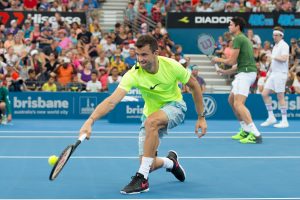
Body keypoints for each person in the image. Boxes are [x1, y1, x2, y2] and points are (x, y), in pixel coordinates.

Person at [79, 35, 207, 194]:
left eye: (144, 54)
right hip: (150, 115)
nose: (140, 59)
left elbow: (194, 85)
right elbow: (112, 101)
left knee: (151, 125)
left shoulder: (172, 66)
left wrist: (201, 117)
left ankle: (142, 179)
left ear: (155, 52)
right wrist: (90, 120)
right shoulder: (134, 73)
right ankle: (170, 163)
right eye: (138, 55)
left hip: (175, 107)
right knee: (149, 163)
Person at [212, 17, 262, 144]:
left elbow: (230, 61)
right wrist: (224, 72)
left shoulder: (238, 39)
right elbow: (238, 64)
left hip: (245, 74)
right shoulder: (243, 39)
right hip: (245, 72)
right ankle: (245, 129)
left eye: (231, 24)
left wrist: (217, 60)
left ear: (237, 26)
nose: (229, 26)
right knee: (231, 100)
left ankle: (255, 133)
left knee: (238, 104)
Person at [260, 26, 290, 128]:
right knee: (264, 94)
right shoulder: (275, 46)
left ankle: (285, 121)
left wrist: (272, 56)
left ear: (281, 35)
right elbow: (273, 63)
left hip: (281, 74)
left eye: (276, 35)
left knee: (280, 96)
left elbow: (284, 58)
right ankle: (271, 117)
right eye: (273, 35)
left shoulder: (284, 45)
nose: (274, 37)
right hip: (273, 74)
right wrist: (267, 75)